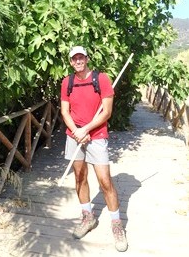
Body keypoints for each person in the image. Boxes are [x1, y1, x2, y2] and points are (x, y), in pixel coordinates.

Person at [60, 46, 128, 252]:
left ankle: (117, 226)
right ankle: (88, 217)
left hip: (97, 135)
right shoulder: (67, 82)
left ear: (87, 59)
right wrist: (77, 131)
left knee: (105, 181)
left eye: (81, 57)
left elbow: (106, 112)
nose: (78, 61)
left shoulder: (102, 79)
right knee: (80, 177)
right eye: (74, 58)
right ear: (71, 62)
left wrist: (87, 129)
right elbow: (65, 111)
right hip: (74, 135)